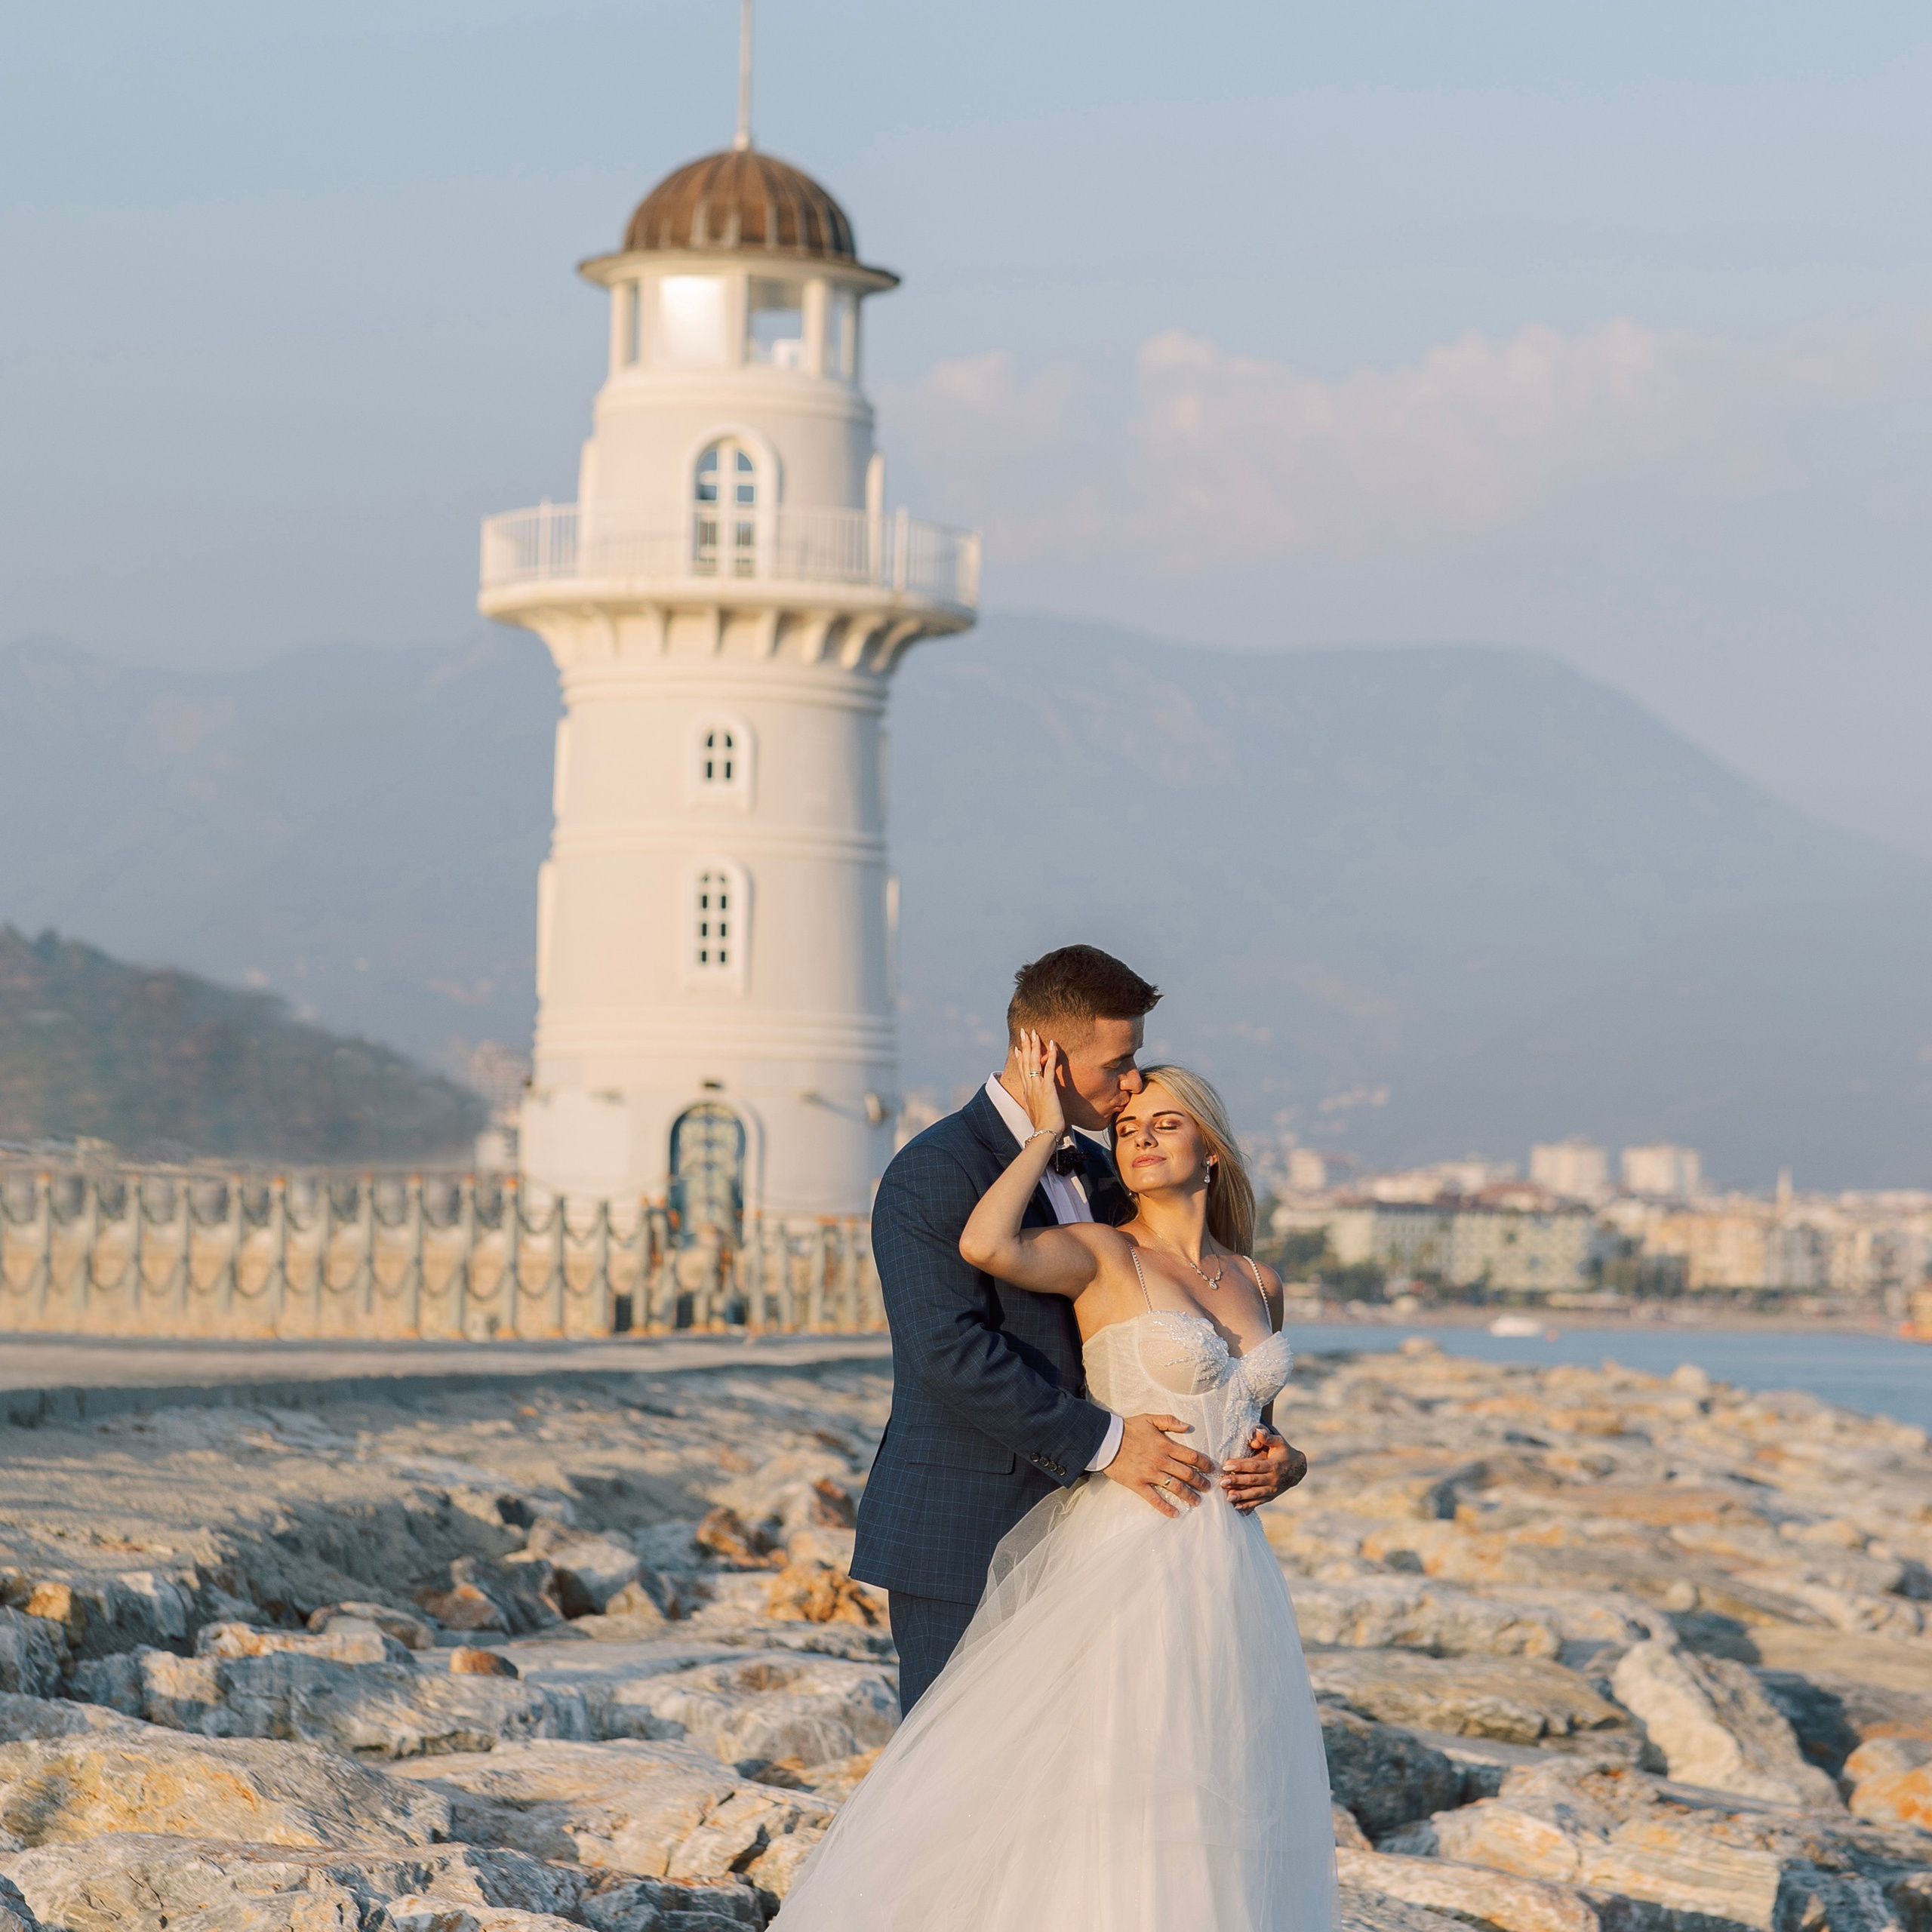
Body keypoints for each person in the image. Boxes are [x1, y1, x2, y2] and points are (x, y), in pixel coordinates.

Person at [780, 1028, 1337, 1930]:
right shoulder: (1104, 1249)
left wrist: (1289, 1460)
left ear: (1213, 1148)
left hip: (1231, 1569)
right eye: (1128, 1126)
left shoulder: (1259, 1279)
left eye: (1164, 1122)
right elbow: (986, 1247)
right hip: (1126, 1542)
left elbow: (1252, 1416)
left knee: (1213, 1777)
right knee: (1083, 1777)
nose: (1138, 1135)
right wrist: (1042, 1132)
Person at [849, 945, 1306, 1714]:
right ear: (1048, 1059)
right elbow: (948, 1352)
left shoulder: (1104, 1171)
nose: (1132, 1083)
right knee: (960, 1779)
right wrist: (1108, 1442)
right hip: (970, 1530)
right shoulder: (935, 1170)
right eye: (1119, 1063)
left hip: (1112, 1536)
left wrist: (1274, 1453)